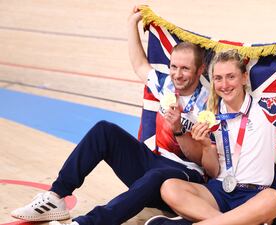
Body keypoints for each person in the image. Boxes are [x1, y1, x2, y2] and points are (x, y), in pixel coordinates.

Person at [11, 5, 210, 225]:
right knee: (104, 130)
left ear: (200, 70)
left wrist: (179, 131)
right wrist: (132, 24)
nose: (177, 74)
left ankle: (86, 223)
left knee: (156, 176)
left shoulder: (209, 105)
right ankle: (56, 196)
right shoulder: (165, 85)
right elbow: (138, 64)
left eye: (185, 69)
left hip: (185, 176)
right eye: (173, 67)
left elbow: (204, 162)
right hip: (153, 161)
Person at [145, 22, 276, 225]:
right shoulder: (210, 116)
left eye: (231, 77)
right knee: (169, 188)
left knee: (273, 199)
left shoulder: (267, 107)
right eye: (218, 78)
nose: (225, 85)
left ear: (244, 77)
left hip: (254, 195)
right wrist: (204, 146)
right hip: (219, 191)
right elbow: (212, 172)